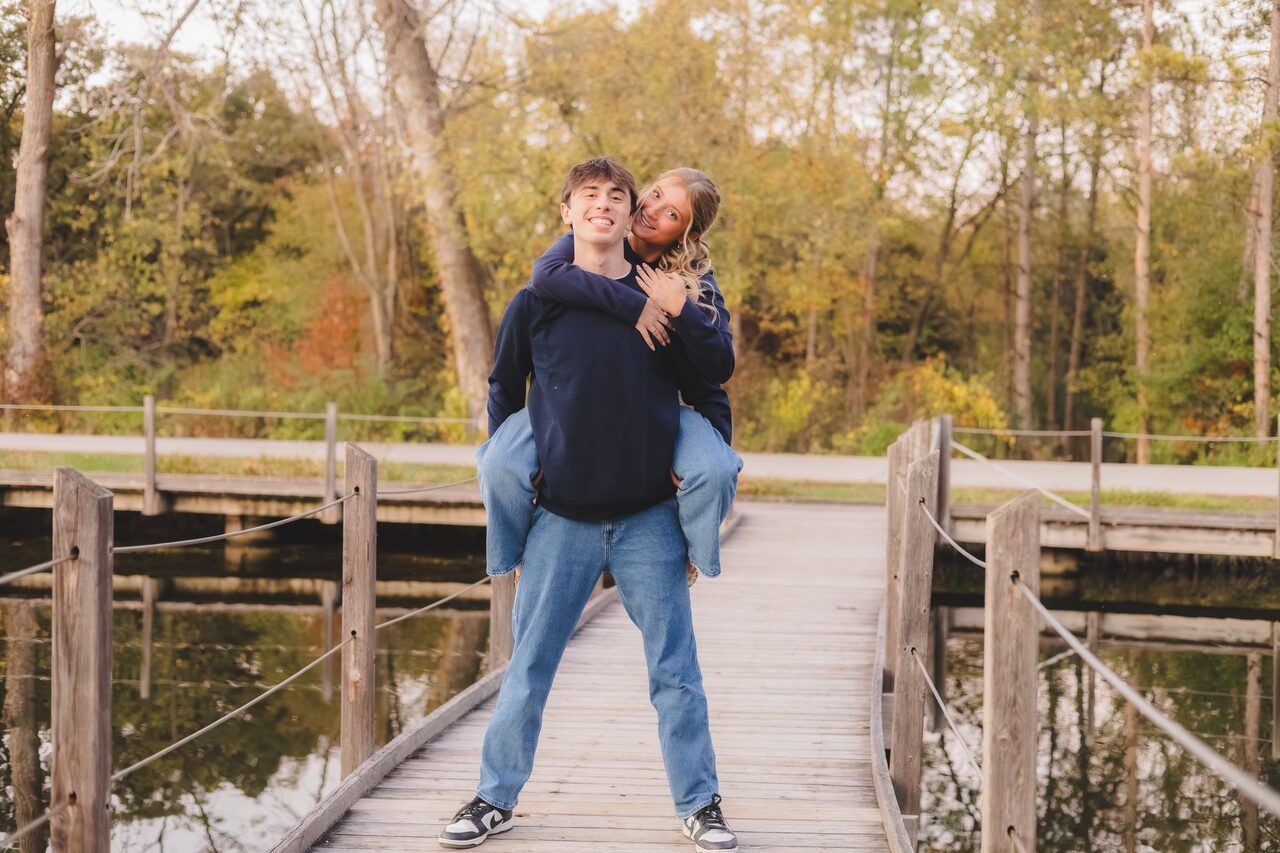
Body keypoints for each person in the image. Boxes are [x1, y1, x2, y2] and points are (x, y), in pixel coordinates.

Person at [439, 158, 738, 853]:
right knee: (527, 667)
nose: (608, 205)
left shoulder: (667, 295)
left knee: (675, 673)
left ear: (633, 215)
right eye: (590, 196)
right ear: (568, 212)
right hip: (561, 520)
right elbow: (504, 388)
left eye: (620, 196)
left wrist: (702, 458)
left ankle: (701, 804)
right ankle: (493, 796)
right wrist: (524, 469)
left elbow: (709, 383)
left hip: (648, 521)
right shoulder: (538, 297)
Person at [475, 166, 741, 587]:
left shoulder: (693, 281)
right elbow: (544, 276)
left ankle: (693, 551)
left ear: (686, 235)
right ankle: (514, 557)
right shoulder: (593, 241)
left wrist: (680, 309)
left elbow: (715, 372)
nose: (653, 211)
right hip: (567, 406)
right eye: (656, 195)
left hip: (650, 410)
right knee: (498, 464)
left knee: (715, 469)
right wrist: (634, 306)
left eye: (672, 214)